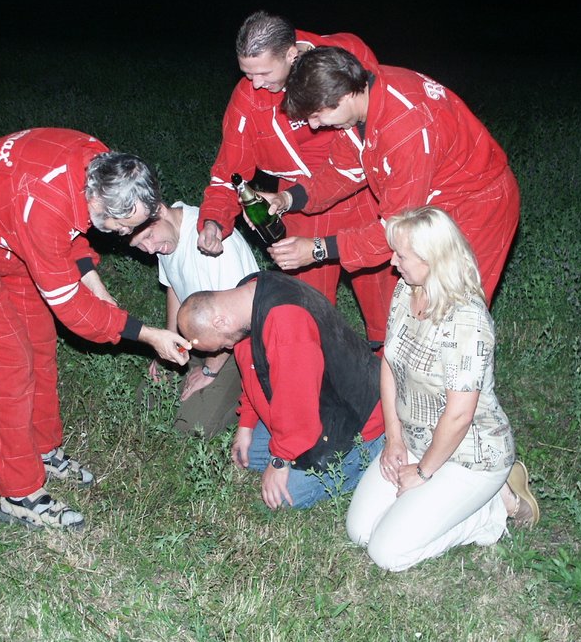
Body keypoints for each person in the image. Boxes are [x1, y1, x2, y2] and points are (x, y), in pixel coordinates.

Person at [0, 128, 192, 531]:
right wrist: (147, 334)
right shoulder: (44, 207)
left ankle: (41, 448)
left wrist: (95, 283)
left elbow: (72, 235)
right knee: (4, 361)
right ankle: (18, 494)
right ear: (95, 199)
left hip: (7, 226)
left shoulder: (99, 161)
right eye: (118, 228)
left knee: (38, 343)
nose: (125, 237)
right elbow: (75, 313)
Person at [345, 206, 539, 572]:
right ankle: (435, 505)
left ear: (431, 258)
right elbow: (390, 361)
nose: (392, 261)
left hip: (469, 454)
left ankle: (495, 507)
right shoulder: (406, 291)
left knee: (387, 552)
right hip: (415, 440)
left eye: (401, 255)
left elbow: (460, 413)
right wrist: (394, 439)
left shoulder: (466, 320)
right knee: (360, 531)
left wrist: (421, 474)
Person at [196, 10, 398, 347]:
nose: (254, 83)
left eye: (262, 72)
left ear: (292, 54)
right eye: (247, 73)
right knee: (308, 304)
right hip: (300, 203)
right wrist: (215, 220)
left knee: (382, 293)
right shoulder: (248, 100)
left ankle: (387, 362)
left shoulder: (346, 53)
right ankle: (323, 365)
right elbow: (227, 171)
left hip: (360, 190)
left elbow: (379, 113)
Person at [269, 45, 520, 307]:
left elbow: (394, 229)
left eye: (318, 115)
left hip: (478, 200)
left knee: (455, 306)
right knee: (419, 304)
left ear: (342, 95)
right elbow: (340, 172)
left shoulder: (404, 130)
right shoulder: (363, 103)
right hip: (433, 199)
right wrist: (287, 198)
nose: (314, 126)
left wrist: (317, 249)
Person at [176, 271, 386, 510]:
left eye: (223, 344)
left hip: (352, 417)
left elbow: (298, 402)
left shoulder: (287, 324)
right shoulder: (248, 298)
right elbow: (252, 367)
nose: (227, 347)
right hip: (315, 400)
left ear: (220, 322)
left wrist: (279, 460)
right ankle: (292, 448)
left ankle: (370, 454)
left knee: (284, 498)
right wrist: (245, 426)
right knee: (250, 455)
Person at [130, 200, 260, 437]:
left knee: (192, 427)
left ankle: (255, 396)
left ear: (159, 210)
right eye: (139, 245)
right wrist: (168, 343)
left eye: (148, 236)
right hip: (199, 333)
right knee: (146, 399)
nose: (149, 249)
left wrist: (209, 371)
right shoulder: (166, 239)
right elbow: (173, 286)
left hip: (239, 342)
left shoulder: (209, 240)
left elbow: (234, 324)